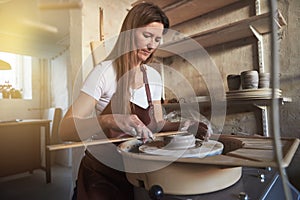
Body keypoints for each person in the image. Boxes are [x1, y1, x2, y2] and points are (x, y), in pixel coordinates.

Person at [59, 2, 211, 200]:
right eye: (146, 36)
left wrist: (184, 125)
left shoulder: (153, 77)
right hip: (101, 176)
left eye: (157, 39)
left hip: (137, 174)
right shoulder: (104, 72)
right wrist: (111, 120)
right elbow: (65, 130)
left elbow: (156, 124)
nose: (151, 45)